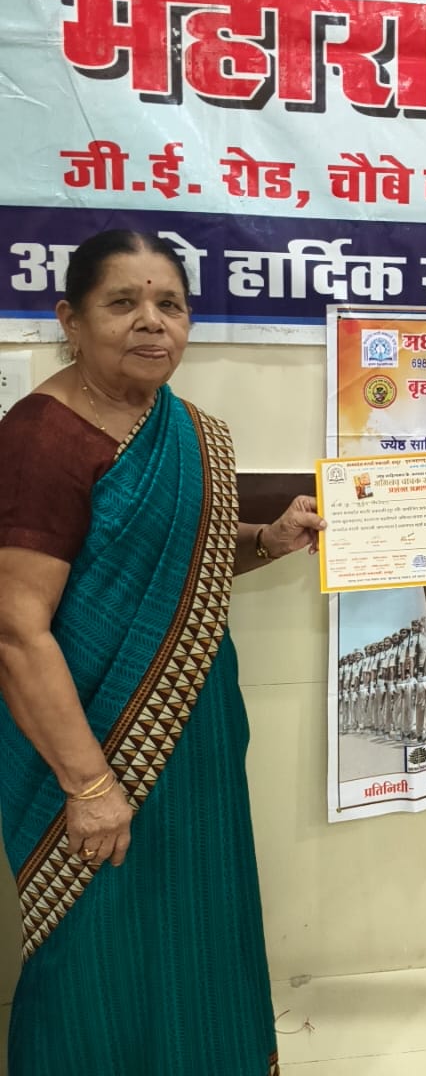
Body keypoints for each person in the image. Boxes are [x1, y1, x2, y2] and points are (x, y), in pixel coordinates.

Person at [0, 229, 326, 1076]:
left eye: (170, 304)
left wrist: (267, 538)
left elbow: (184, 562)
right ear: (70, 320)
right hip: (85, 744)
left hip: (193, 731)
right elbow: (15, 629)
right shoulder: (42, 438)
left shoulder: (186, 430)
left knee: (196, 918)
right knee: (94, 949)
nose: (152, 321)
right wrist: (90, 786)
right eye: (124, 302)